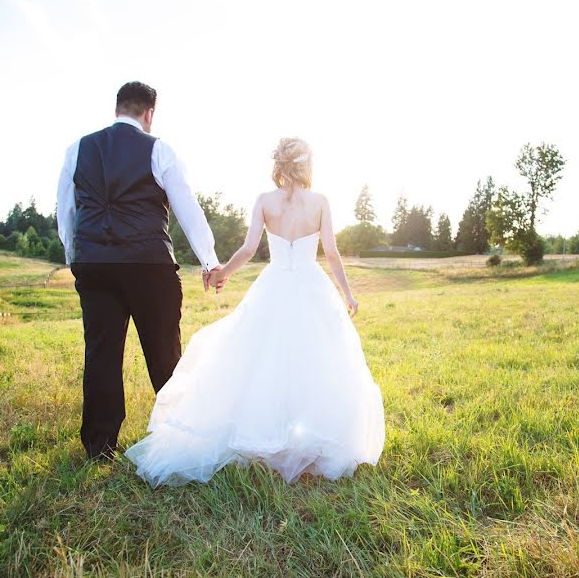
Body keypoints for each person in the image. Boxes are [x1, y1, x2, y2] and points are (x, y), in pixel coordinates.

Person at [125, 137, 385, 486]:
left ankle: (268, 435)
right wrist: (348, 295)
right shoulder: (320, 202)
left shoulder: (265, 201)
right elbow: (333, 254)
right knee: (314, 360)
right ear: (306, 166)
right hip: (311, 285)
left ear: (279, 165)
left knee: (265, 358)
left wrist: (222, 273)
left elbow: (248, 249)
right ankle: (308, 438)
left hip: (274, 284)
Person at [56, 81, 224, 460]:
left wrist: (75, 256)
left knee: (101, 353)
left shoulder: (77, 149)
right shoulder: (159, 149)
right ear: (149, 113)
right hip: (149, 266)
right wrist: (210, 261)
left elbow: (65, 210)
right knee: (164, 352)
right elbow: (187, 209)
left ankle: (100, 447)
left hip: (95, 265)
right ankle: (179, 439)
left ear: (118, 109)